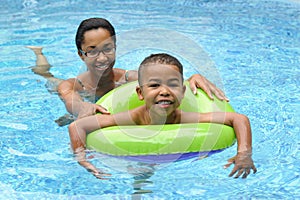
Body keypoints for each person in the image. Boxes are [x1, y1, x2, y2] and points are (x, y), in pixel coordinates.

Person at [68, 53, 257, 180]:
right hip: (135, 154)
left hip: (166, 152)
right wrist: (82, 157)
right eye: (154, 85)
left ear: (183, 92)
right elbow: (77, 126)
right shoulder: (133, 118)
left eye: (173, 85)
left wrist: (244, 154)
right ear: (140, 94)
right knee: (141, 175)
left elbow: (239, 119)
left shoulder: (184, 117)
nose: (164, 91)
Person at [27, 17, 229, 126]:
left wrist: (192, 77)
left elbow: (163, 81)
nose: (102, 58)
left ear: (115, 48)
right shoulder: (72, 86)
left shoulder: (128, 78)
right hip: (79, 92)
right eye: (92, 51)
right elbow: (73, 101)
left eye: (108, 49)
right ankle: (39, 56)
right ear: (81, 55)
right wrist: (81, 109)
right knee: (49, 78)